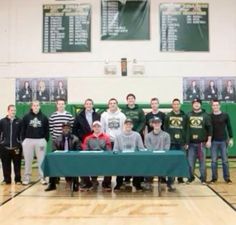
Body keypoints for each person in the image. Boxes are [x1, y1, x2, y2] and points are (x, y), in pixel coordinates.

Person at [45, 122, 81, 192]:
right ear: (62, 129)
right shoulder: (57, 139)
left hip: (72, 160)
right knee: (52, 163)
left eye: (67, 128)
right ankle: (52, 184)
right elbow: (54, 151)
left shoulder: (76, 139)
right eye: (64, 128)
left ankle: (75, 183)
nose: (66, 129)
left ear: (70, 129)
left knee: (74, 164)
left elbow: (78, 150)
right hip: (60, 160)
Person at [21, 100, 49, 185]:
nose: (36, 107)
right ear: (31, 107)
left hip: (40, 141)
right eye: (34, 105)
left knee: (41, 160)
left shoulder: (44, 117)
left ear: (40, 106)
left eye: (37, 105)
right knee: (28, 160)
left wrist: (44, 140)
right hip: (28, 140)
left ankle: (42, 178)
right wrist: (24, 140)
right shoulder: (26, 117)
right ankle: (27, 178)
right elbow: (23, 129)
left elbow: (47, 130)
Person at [113, 118, 145, 191]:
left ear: (132, 126)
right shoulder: (118, 136)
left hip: (134, 158)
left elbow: (141, 148)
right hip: (122, 158)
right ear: (124, 125)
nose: (128, 125)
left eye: (130, 124)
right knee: (119, 166)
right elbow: (115, 149)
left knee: (138, 165)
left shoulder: (137, 135)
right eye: (127, 124)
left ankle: (137, 184)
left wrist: (137, 153)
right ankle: (119, 184)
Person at [186, 98, 212, 184]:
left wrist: (209, 140)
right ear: (192, 105)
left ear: (200, 104)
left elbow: (210, 129)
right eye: (194, 103)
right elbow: (185, 129)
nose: (196, 104)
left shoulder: (206, 115)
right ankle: (190, 178)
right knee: (190, 162)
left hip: (202, 144)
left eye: (198, 103)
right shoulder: (188, 115)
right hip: (191, 144)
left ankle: (203, 179)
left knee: (202, 163)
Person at [121, 93, 146, 184]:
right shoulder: (123, 110)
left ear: (134, 100)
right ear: (127, 100)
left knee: (138, 157)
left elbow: (143, 121)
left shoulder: (140, 110)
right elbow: (122, 123)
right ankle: (127, 178)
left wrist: (136, 131)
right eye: (129, 98)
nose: (130, 100)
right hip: (126, 136)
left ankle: (139, 179)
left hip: (137, 136)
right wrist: (128, 131)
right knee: (127, 157)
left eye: (132, 98)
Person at [82, 121, 112, 191]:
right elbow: (85, 150)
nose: (96, 128)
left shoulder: (106, 137)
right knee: (82, 165)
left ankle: (106, 184)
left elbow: (108, 150)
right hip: (91, 159)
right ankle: (88, 184)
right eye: (95, 126)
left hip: (103, 159)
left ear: (101, 127)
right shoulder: (87, 138)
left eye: (98, 126)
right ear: (92, 128)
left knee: (109, 165)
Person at [145, 117, 172, 191]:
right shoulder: (148, 136)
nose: (156, 124)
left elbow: (167, 148)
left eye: (158, 122)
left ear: (161, 123)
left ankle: (169, 183)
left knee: (171, 164)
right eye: (154, 123)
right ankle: (148, 181)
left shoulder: (166, 135)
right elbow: (149, 148)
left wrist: (160, 154)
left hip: (163, 157)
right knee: (147, 163)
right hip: (152, 158)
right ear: (152, 124)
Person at [164, 98, 187, 184]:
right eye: (174, 104)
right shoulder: (168, 116)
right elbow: (165, 129)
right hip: (171, 142)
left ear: (180, 105)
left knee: (181, 160)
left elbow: (186, 129)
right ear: (172, 105)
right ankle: (171, 179)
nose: (176, 105)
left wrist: (186, 142)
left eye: (178, 104)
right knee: (171, 161)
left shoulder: (184, 116)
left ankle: (180, 178)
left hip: (181, 142)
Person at [210, 99, 233, 184]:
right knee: (213, 162)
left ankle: (227, 178)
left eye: (217, 105)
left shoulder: (225, 115)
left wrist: (231, 138)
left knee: (225, 161)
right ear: (212, 106)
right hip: (213, 142)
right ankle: (214, 178)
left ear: (219, 106)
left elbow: (229, 127)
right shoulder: (209, 116)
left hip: (224, 141)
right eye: (213, 105)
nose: (215, 106)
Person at [0, 105, 22, 185]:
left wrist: (19, 142)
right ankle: (6, 180)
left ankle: (18, 180)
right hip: (4, 147)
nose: (13, 112)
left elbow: (22, 134)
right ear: (8, 111)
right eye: (12, 110)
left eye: (14, 110)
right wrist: (2, 142)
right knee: (5, 165)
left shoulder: (19, 121)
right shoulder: (2, 121)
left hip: (16, 147)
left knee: (17, 165)